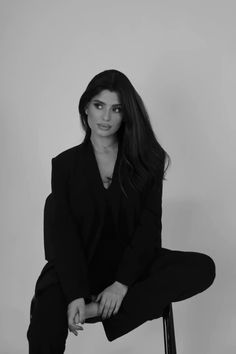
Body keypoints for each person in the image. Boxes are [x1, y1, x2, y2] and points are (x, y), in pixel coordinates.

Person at [26, 69, 216, 352]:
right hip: (79, 266)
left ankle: (98, 309)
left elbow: (149, 229)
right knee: (46, 311)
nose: (106, 117)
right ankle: (95, 304)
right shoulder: (65, 165)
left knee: (202, 268)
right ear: (85, 109)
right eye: (99, 106)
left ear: (126, 114)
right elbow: (63, 236)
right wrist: (76, 293)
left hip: (130, 270)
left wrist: (121, 284)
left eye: (116, 109)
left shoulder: (147, 161)